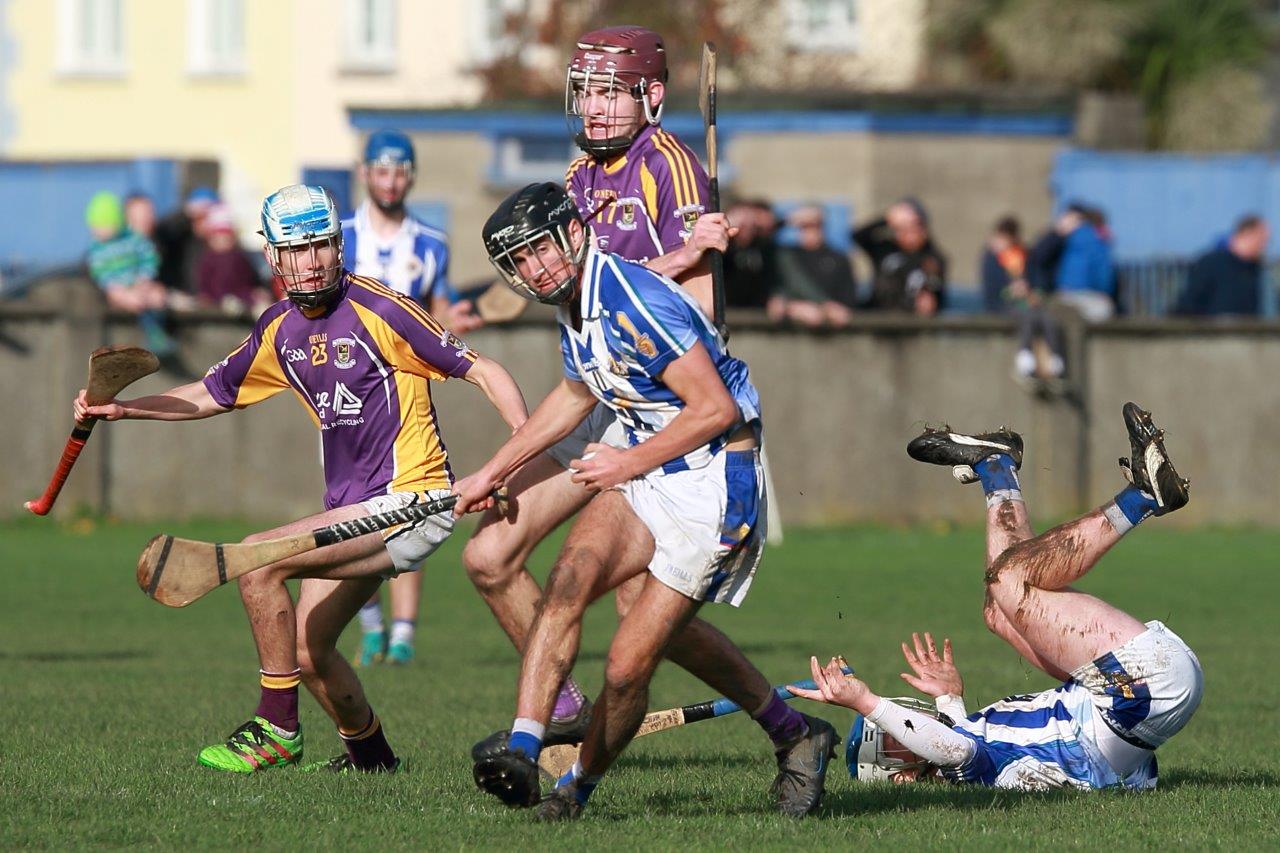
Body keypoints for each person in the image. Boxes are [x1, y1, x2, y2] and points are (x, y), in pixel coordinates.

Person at [459, 26, 821, 792]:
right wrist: (498, 464)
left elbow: (684, 315)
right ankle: (555, 710)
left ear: (650, 97)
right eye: (583, 90)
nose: (591, 107)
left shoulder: (672, 170)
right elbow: (599, 289)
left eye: (608, 91)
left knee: (642, 620)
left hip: (669, 418)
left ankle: (782, 726)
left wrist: (693, 259)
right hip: (604, 394)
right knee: (492, 558)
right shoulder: (575, 178)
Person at [73, 184, 527, 774]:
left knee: (258, 559)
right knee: (309, 652)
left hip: (409, 500)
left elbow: (482, 369)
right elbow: (210, 393)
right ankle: (374, 762)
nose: (309, 261)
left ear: (337, 247)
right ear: (273, 258)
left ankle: (277, 729)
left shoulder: (379, 308)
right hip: (353, 511)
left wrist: (517, 447)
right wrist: (127, 409)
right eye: (296, 251)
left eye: (320, 246)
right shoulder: (278, 330)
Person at [792, 403, 1201, 790]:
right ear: (900, 776)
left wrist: (950, 697)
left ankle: (996, 465)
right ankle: (1143, 497)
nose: (897, 724)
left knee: (999, 612)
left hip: (1138, 698)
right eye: (888, 739)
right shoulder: (969, 770)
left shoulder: (977, 752)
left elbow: (956, 737)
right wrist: (866, 702)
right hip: (1138, 691)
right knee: (1010, 580)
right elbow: (953, 749)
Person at [340, 129, 483, 667]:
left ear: (412, 177)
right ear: (364, 173)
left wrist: (455, 321)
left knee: (410, 508)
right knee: (350, 515)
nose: (391, 181)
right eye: (381, 170)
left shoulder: (431, 243)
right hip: (345, 395)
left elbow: (438, 315)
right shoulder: (340, 238)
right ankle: (370, 626)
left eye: (400, 172)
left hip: (408, 398)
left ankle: (402, 634)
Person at [84, 190, 175, 356]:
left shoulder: (136, 241)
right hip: (118, 290)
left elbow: (148, 258)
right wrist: (116, 289)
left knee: (156, 296)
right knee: (133, 300)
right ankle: (151, 333)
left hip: (140, 284)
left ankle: (157, 334)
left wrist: (144, 279)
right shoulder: (96, 251)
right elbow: (100, 274)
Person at [981, 216, 1066, 387]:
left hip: (1026, 303)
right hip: (1002, 305)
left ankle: (1055, 360)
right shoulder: (991, 259)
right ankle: (1024, 358)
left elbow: (1037, 280)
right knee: (1028, 316)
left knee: (1045, 316)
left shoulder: (1023, 256)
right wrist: (1011, 291)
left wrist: (1032, 292)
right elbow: (992, 289)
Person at [852, 198, 947, 315]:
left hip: (912, 322)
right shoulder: (885, 249)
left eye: (913, 228)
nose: (908, 234)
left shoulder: (932, 258)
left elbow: (934, 289)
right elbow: (857, 236)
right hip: (879, 318)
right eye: (903, 229)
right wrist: (887, 219)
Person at [771, 204, 856, 327]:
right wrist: (786, 221)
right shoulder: (786, 255)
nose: (810, 231)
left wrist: (824, 309)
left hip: (829, 333)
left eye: (815, 225)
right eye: (804, 226)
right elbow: (764, 238)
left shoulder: (838, 258)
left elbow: (847, 303)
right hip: (789, 333)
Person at [1174, 214, 1269, 317]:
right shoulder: (1211, 263)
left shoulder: (1255, 270)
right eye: (1262, 240)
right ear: (1247, 234)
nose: (1264, 246)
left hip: (1244, 331)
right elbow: (1188, 303)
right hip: (1210, 331)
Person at [195, 203, 271, 316]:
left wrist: (253, 294)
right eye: (218, 238)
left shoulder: (239, 257)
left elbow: (247, 282)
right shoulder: (207, 260)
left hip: (241, 299)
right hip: (218, 303)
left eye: (226, 238)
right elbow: (205, 287)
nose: (222, 242)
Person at [1051, 203, 1115, 322]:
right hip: (1088, 295)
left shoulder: (1070, 238)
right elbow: (1103, 274)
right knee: (1105, 310)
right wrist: (1105, 291)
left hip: (1065, 293)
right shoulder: (1098, 240)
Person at [155, 186, 218, 302]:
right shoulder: (182, 240)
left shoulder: (221, 244)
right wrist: (186, 214)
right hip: (182, 301)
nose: (202, 223)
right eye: (197, 218)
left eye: (206, 217)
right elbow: (163, 231)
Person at [724, 198, 780, 309]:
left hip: (753, 311)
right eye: (743, 225)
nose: (748, 228)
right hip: (726, 312)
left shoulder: (761, 248)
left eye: (752, 225)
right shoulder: (721, 250)